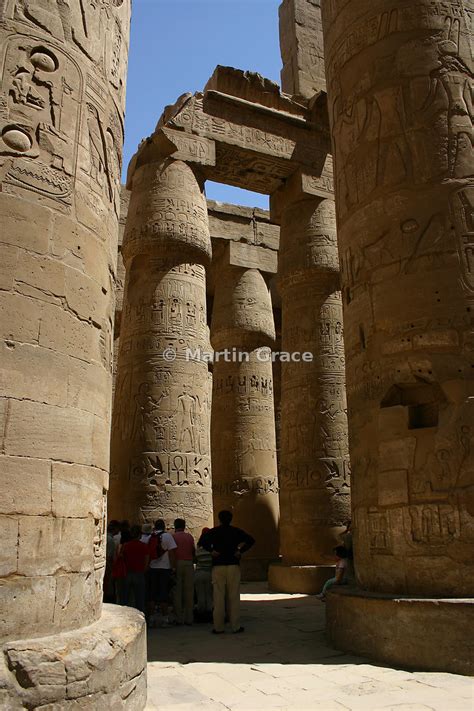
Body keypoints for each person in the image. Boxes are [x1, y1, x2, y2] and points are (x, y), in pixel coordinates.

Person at [202, 510, 255, 634]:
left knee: (218, 596)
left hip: (218, 565)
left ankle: (218, 627)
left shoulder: (214, 531)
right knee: (234, 596)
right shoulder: (236, 531)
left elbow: (202, 542)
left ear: (219, 519)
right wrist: (240, 551)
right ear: (231, 519)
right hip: (233, 565)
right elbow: (251, 540)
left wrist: (211, 551)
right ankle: (235, 626)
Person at [148, 519, 177, 626]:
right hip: (165, 568)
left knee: (152, 593)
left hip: (152, 567)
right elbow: (172, 553)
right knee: (163, 593)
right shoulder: (168, 536)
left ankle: (151, 618)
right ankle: (165, 619)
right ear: (164, 526)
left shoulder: (150, 537)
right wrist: (173, 567)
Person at [172, 518, 195, 625]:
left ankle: (179, 618)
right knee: (189, 590)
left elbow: (171, 552)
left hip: (177, 563)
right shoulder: (189, 537)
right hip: (188, 563)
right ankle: (189, 617)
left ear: (175, 526)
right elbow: (193, 550)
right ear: (184, 526)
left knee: (177, 591)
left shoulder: (173, 537)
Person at [121, 525, 149, 613]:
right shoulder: (144, 546)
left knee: (126, 598)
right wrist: (144, 569)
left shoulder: (126, 545)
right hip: (139, 573)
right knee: (139, 598)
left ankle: (125, 614)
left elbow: (123, 558)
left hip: (128, 572)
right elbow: (147, 559)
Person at [194, 527, 213, 622]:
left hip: (199, 573)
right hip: (209, 573)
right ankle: (209, 614)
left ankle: (201, 615)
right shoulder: (212, 550)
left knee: (200, 595)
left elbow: (195, 560)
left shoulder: (198, 549)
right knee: (209, 595)